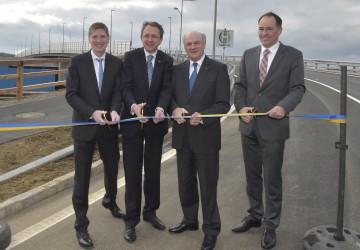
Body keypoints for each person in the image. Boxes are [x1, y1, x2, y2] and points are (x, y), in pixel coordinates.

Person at [232, 12, 306, 249]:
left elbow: (297, 88)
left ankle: (270, 225)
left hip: (274, 128)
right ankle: (255, 215)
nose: (264, 33)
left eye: (269, 29)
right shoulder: (248, 54)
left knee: (272, 179)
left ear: (279, 31)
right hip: (249, 126)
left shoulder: (293, 55)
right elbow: (240, 86)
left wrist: (284, 107)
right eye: (261, 29)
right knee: (252, 176)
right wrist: (240, 107)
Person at [168, 31, 230, 250]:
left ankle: (211, 229)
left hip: (206, 138)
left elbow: (223, 104)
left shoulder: (218, 69)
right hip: (182, 137)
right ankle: (190, 219)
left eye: (196, 43)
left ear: (204, 44)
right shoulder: (177, 70)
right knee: (185, 183)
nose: (192, 47)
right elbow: (171, 98)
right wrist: (174, 108)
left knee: (207, 186)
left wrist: (203, 117)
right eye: (188, 44)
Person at [65, 22, 125, 249]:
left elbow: (117, 91)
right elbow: (71, 94)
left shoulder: (115, 63)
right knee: (82, 179)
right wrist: (92, 112)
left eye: (103, 37)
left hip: (108, 128)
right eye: (95, 37)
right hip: (84, 127)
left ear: (108, 38)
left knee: (112, 168)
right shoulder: (77, 63)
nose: (99, 41)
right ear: (89, 38)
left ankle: (110, 201)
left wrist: (115, 109)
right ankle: (81, 226)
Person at [120, 21, 173, 243]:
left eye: (154, 36)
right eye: (146, 35)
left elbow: (167, 88)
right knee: (132, 174)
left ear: (161, 39)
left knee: (152, 172)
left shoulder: (167, 60)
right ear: (141, 37)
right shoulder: (130, 57)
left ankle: (150, 212)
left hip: (155, 124)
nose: (150, 39)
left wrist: (161, 108)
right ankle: (131, 221)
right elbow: (125, 87)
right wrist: (133, 107)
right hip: (133, 122)